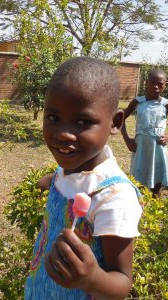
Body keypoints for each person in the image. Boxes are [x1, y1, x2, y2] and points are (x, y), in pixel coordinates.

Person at [24, 57, 143, 299]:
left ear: (115, 123)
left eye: (82, 122)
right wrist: (50, 181)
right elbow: (66, 181)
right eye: (53, 118)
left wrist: (92, 279)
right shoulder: (71, 168)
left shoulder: (113, 198)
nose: (63, 133)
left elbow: (122, 281)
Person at [121, 69, 168, 198]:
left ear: (165, 85)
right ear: (146, 83)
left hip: (158, 147)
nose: (155, 86)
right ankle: (138, 204)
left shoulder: (166, 104)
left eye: (159, 83)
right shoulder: (138, 102)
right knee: (139, 175)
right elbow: (120, 119)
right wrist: (127, 139)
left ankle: (156, 205)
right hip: (141, 146)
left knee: (157, 178)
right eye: (152, 82)